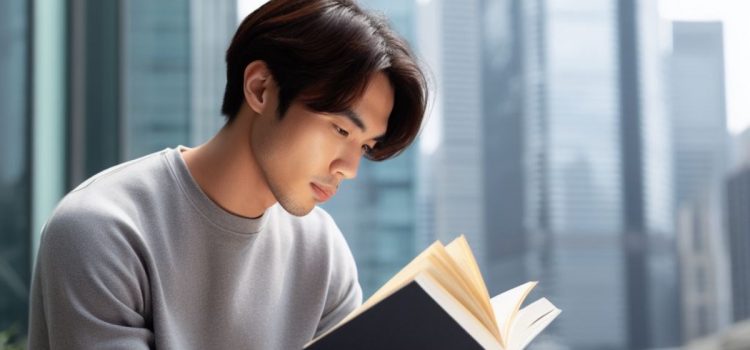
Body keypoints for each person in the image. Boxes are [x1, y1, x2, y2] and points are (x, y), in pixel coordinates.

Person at [27, 0, 427, 348]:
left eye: (365, 146)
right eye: (341, 130)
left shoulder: (324, 255)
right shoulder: (103, 230)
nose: (350, 168)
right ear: (260, 88)